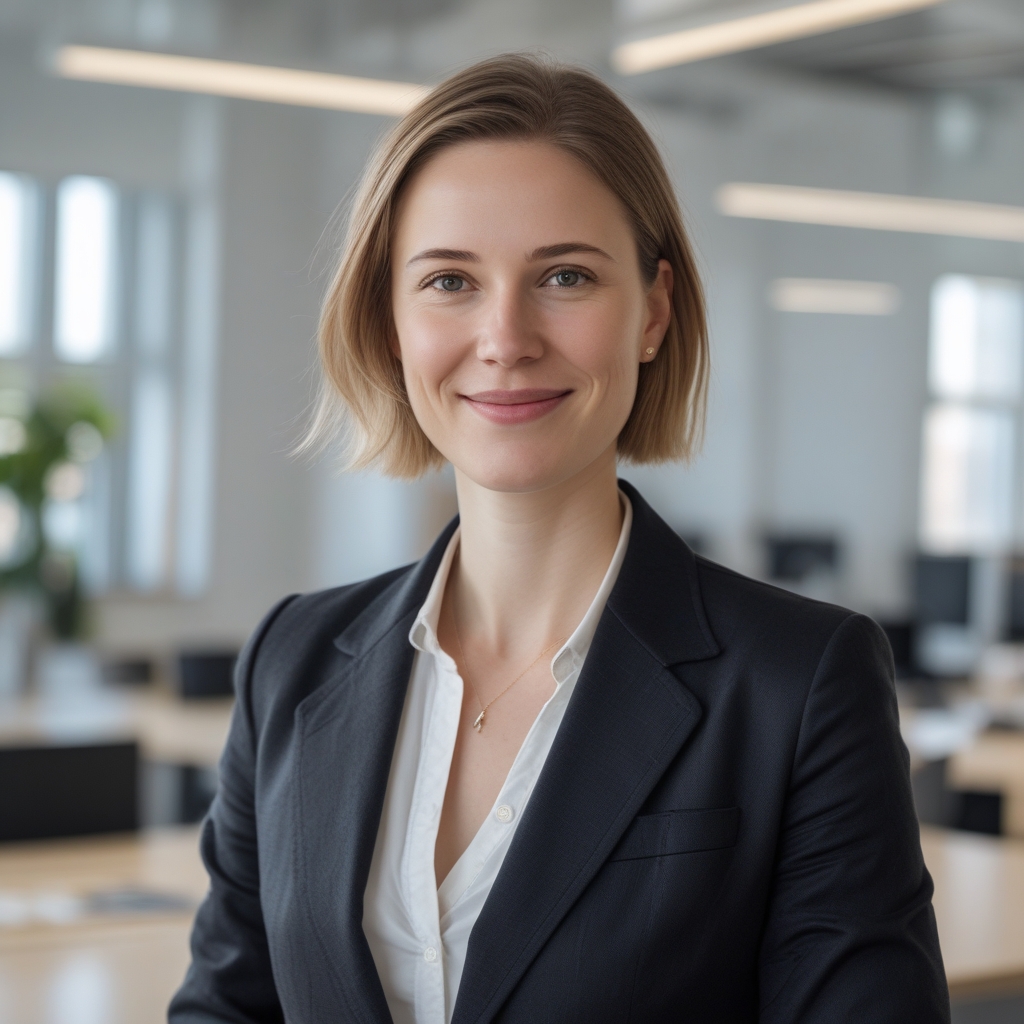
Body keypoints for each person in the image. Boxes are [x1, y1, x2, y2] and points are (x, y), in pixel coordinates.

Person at [169, 54, 949, 1024]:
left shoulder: (799, 683)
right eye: (449, 280)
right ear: (390, 318)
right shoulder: (290, 661)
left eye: (565, 276)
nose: (504, 336)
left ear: (653, 311)